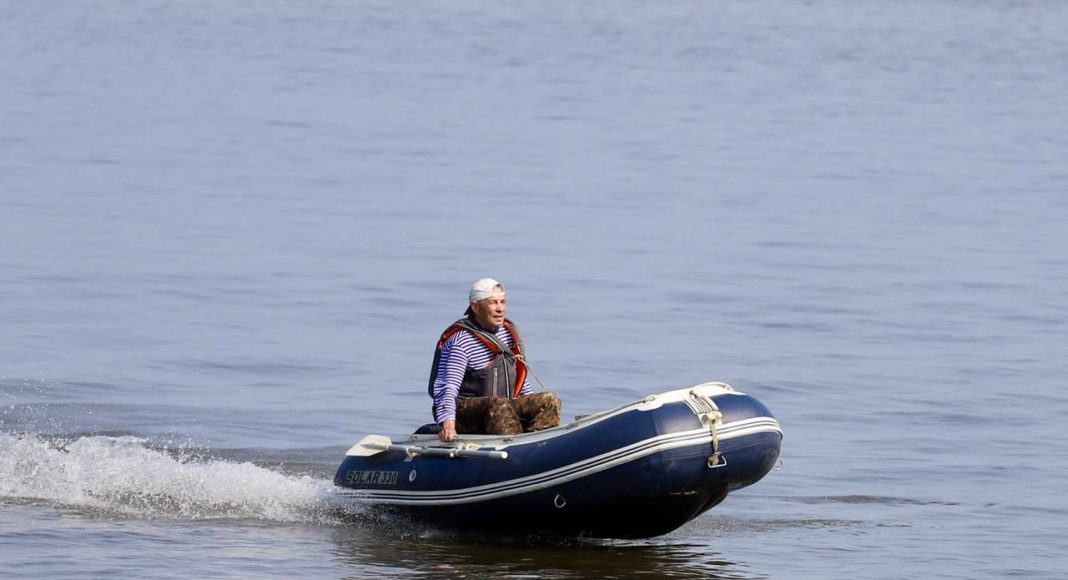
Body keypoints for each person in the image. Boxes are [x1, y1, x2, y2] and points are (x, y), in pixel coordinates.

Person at [428, 278, 561, 443]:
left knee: (548, 400)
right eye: (493, 303)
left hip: (500, 408)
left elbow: (516, 377)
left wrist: (529, 407)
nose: (500, 309)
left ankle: (537, 445)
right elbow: (447, 386)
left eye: (502, 302)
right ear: (475, 307)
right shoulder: (460, 342)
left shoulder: (507, 334)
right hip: (463, 414)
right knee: (498, 404)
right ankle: (513, 447)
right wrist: (448, 424)